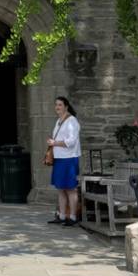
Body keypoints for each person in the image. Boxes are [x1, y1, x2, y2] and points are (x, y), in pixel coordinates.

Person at [49, 96, 82, 227]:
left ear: (66, 106)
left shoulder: (72, 121)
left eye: (60, 105)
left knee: (71, 189)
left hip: (69, 158)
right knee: (60, 188)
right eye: (56, 104)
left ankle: (72, 217)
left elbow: (71, 141)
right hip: (59, 158)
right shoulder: (58, 121)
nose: (57, 107)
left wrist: (55, 143)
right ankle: (62, 216)